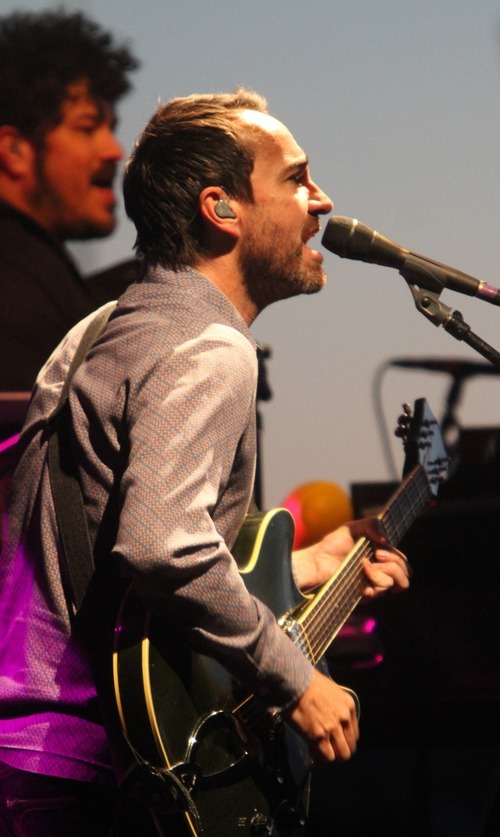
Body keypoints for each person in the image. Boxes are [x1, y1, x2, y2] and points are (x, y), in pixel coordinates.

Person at [0, 89, 411, 835]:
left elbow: (114, 530)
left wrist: (307, 562)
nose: (321, 200)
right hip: (94, 767)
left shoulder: (101, 330)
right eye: (295, 178)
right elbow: (160, 545)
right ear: (222, 209)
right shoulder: (212, 349)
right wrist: (296, 681)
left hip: (26, 751)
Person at [0, 8, 140, 395]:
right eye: (86, 127)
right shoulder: (17, 287)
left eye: (110, 129)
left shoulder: (39, 274)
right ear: (14, 150)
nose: (114, 151)